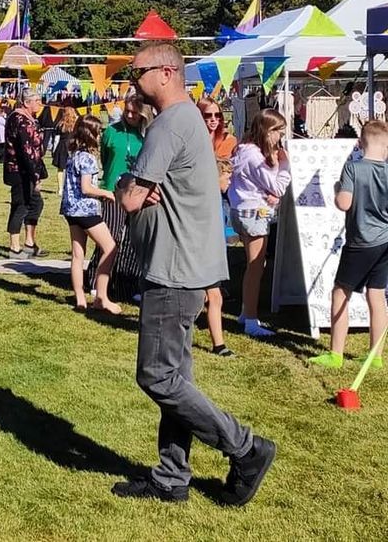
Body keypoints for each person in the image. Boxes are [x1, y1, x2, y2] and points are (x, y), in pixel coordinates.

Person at [113, 43, 275, 505]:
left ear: (166, 73)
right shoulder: (186, 121)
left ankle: (246, 448)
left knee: (157, 377)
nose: (132, 79)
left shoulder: (169, 123)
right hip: (190, 266)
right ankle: (171, 477)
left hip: (173, 267)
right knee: (175, 379)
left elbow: (126, 198)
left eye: (138, 71)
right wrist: (139, 188)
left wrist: (129, 184)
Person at [309, 120, 388, 370]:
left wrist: (336, 190)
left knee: (340, 292)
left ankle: (336, 353)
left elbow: (344, 203)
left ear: (360, 142)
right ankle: (375, 355)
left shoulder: (353, 168)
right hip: (384, 242)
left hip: (360, 242)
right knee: (376, 295)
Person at [227, 109, 291, 339]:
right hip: (253, 212)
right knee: (256, 266)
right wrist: (284, 166)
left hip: (244, 209)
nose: (280, 137)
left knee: (253, 265)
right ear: (267, 131)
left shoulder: (245, 150)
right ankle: (251, 320)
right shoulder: (253, 155)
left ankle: (247, 312)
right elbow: (276, 185)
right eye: (278, 132)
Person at [84, 98, 148, 304]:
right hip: (112, 191)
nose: (130, 115)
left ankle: (126, 282)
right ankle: (95, 279)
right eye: (127, 111)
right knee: (109, 238)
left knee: (132, 239)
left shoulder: (146, 135)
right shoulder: (111, 132)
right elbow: (105, 157)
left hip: (137, 193)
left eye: (134, 113)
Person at [60, 116, 121, 314]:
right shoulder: (87, 158)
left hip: (70, 210)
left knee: (78, 254)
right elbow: (86, 188)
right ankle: (101, 297)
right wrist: (107, 193)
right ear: (91, 134)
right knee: (110, 247)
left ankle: (80, 299)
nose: (101, 135)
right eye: (99, 131)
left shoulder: (73, 155)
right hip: (86, 211)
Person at [198, 97, 237, 357]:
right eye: (207, 115)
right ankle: (217, 343)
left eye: (216, 115)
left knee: (213, 292)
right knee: (205, 291)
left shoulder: (228, 142)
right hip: (197, 224)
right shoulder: (193, 146)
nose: (213, 120)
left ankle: (219, 343)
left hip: (214, 223)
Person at [3, 91, 47, 259]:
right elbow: (26, 151)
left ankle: (29, 243)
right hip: (20, 171)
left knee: (36, 204)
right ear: (27, 103)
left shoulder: (27, 118)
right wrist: (35, 176)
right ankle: (14, 248)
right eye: (36, 100)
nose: (39, 103)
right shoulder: (20, 119)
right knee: (20, 205)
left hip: (27, 169)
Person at [51, 106, 79, 197]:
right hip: (72, 146)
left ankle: (60, 189)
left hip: (62, 146)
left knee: (60, 169)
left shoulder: (60, 124)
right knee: (72, 168)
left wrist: (54, 150)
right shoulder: (76, 124)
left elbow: (56, 138)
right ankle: (72, 186)